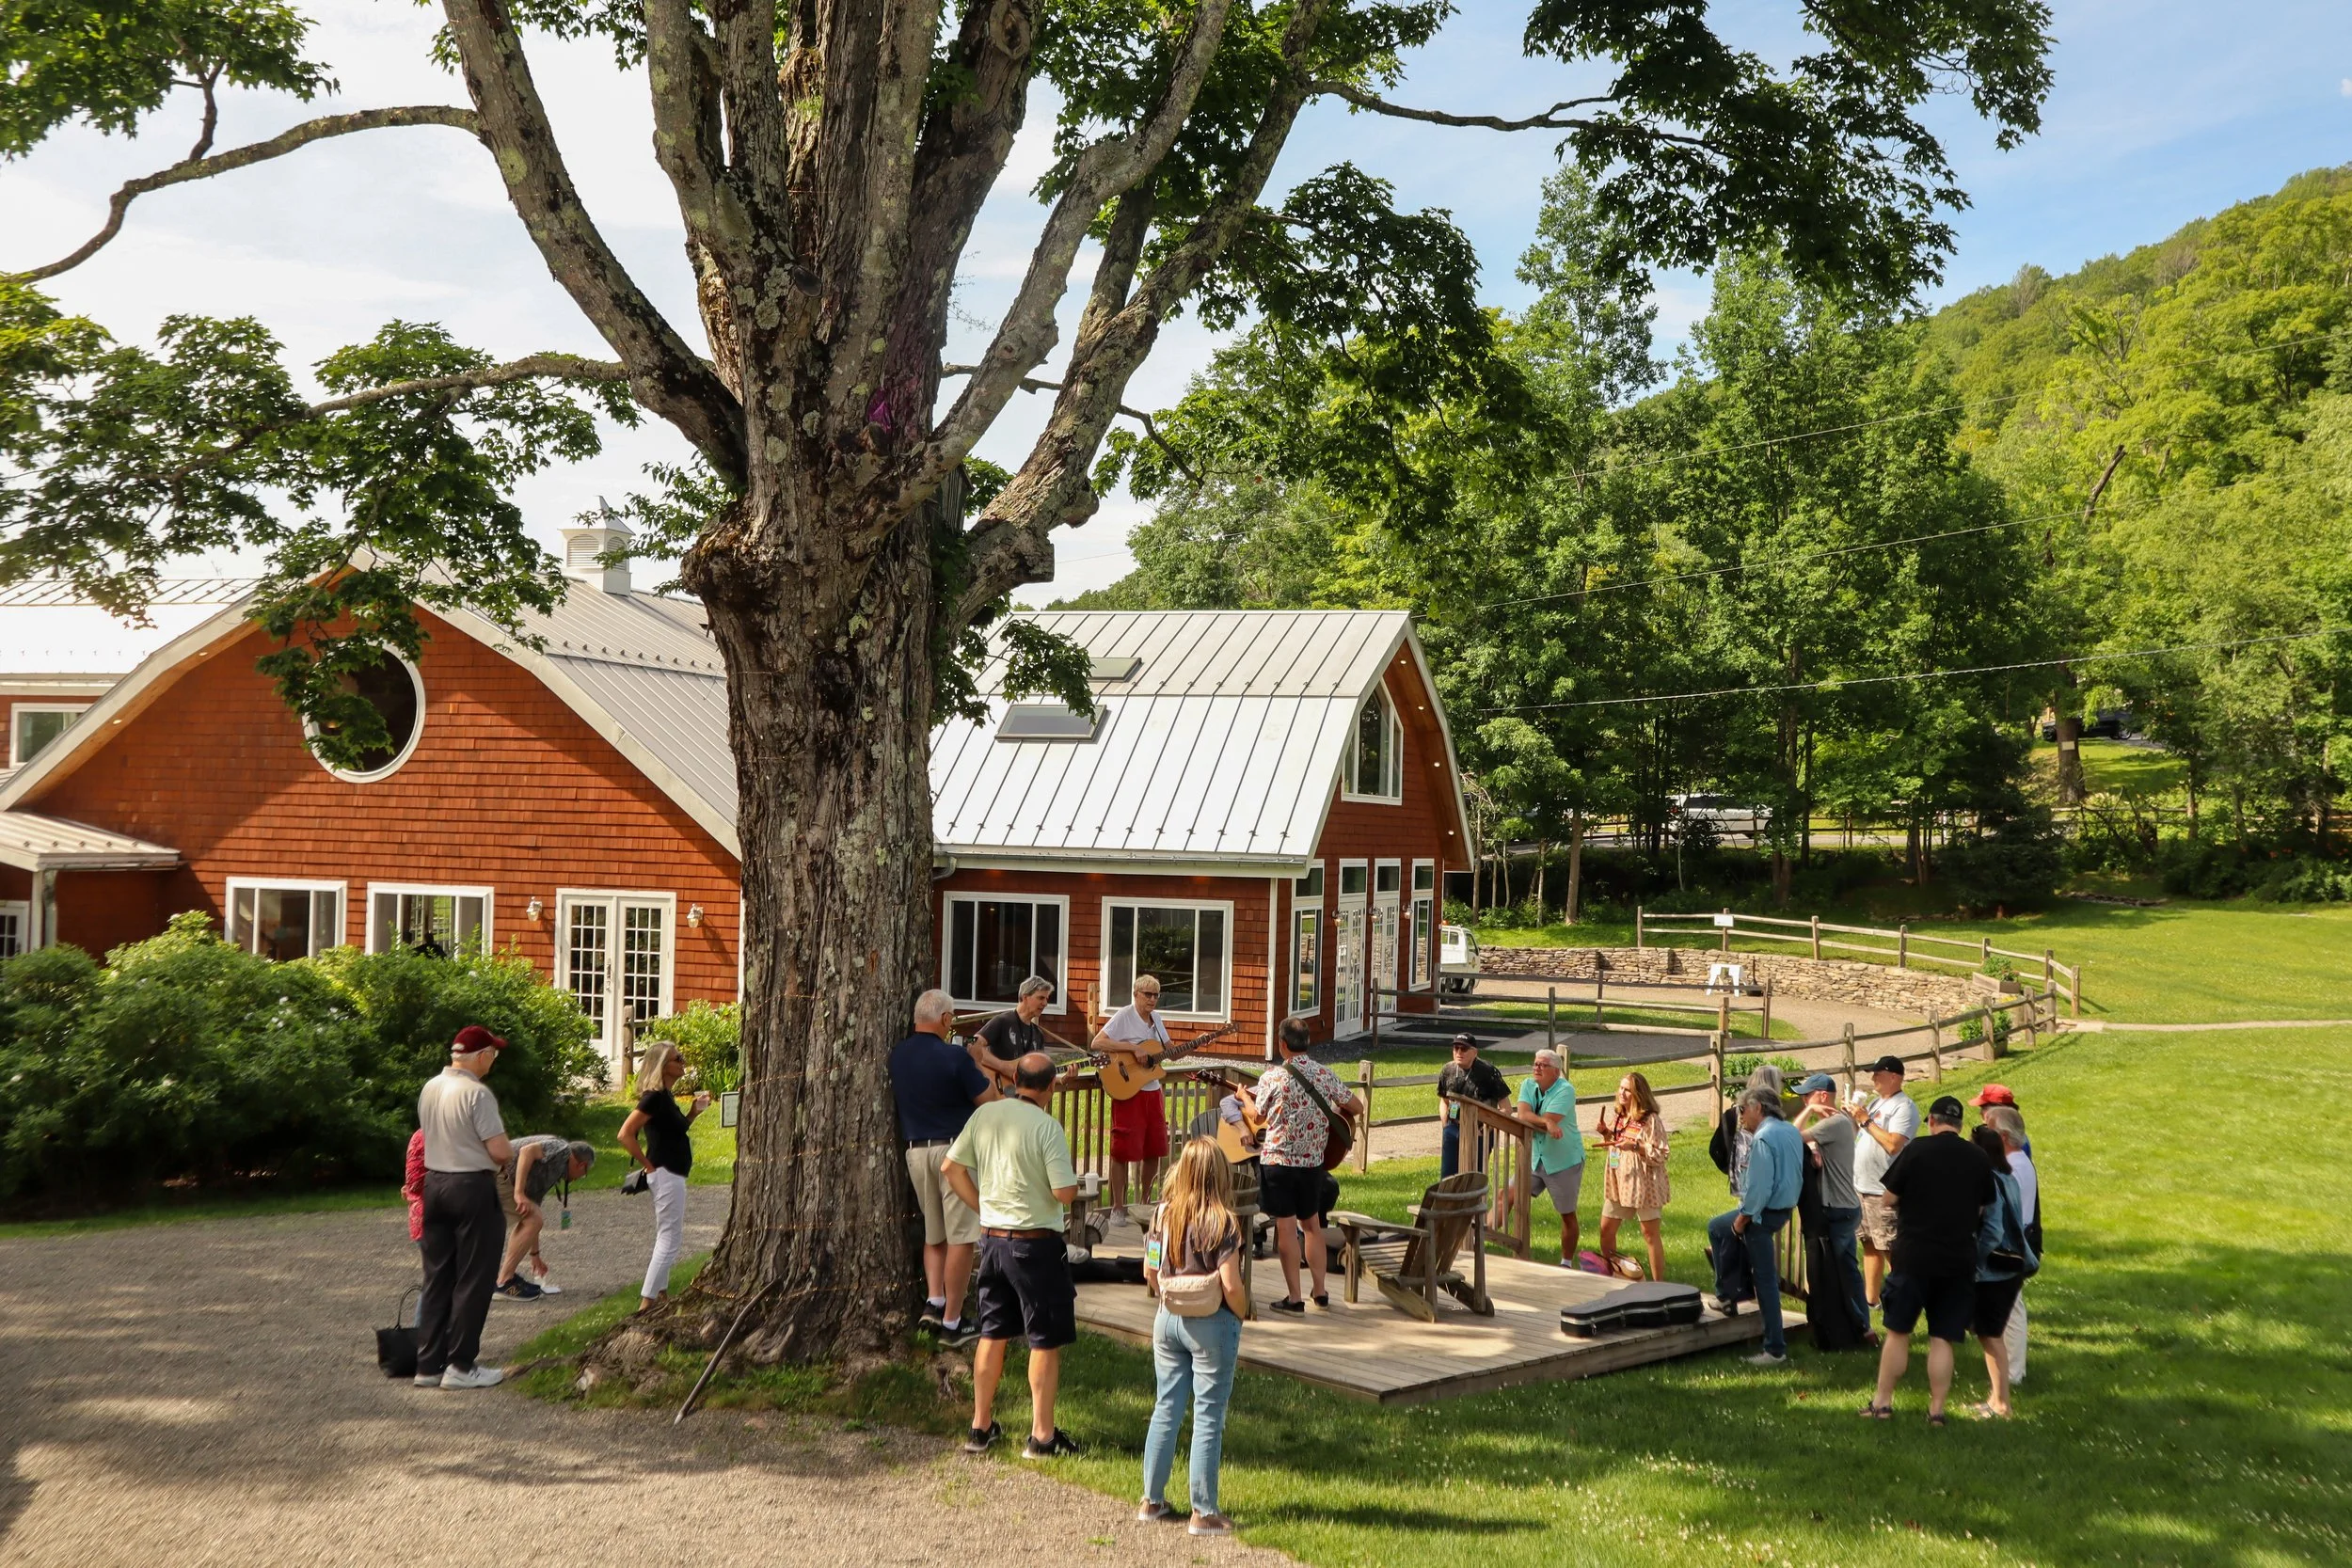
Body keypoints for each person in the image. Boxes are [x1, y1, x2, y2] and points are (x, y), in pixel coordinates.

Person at [943, 1052, 1083, 1459]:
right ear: (1051, 1086)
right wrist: (1068, 1186)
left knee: (993, 1332)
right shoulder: (1047, 1127)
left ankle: (980, 1426)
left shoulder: (987, 1115)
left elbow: (950, 1168)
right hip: (1035, 1243)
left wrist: (982, 1206)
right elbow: (1063, 1192)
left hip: (991, 1242)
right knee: (1044, 1339)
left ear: (1015, 1078)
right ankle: (1042, 1436)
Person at [1137, 1137, 1249, 1537]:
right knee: (1208, 1415)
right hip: (1210, 1321)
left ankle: (1151, 1500)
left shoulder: (1161, 1215)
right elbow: (1231, 1284)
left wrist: (1167, 1290)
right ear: (1220, 1173)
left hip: (1167, 1317)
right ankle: (1203, 1511)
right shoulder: (1224, 1222)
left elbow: (1149, 1272)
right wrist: (1242, 1312)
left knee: (1166, 1405)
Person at [1863, 1095, 1995, 1425]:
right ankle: (1936, 1411)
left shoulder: (1917, 1149)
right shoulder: (1978, 1157)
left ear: (1932, 1121)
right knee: (1942, 1337)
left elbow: (1888, 1199)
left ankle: (1882, 1403)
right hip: (1958, 1257)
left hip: (1914, 1255)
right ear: (1960, 1125)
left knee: (1898, 1331)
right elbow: (1982, 1207)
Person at [890, 988, 1000, 1341]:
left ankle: (933, 1302)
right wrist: (978, 1060)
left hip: (915, 1151)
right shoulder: (956, 1057)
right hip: (954, 1152)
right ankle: (953, 1322)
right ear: (946, 1019)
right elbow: (990, 1101)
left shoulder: (897, 1055)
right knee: (962, 1238)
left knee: (933, 1233)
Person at [413, 1024, 514, 1390]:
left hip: (435, 1182)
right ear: (481, 1056)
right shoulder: (477, 1094)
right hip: (472, 1185)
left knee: (437, 1275)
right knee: (474, 1276)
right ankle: (460, 1363)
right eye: (493, 1055)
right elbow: (500, 1150)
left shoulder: (430, 1087)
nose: (493, 1061)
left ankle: (427, 1363)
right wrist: (510, 1154)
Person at [1254, 1017, 1360, 1313]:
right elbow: (1357, 1107)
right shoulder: (1325, 1074)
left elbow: (1258, 1117)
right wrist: (1332, 1112)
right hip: (1313, 1164)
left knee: (1286, 1230)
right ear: (1307, 1043)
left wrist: (1242, 1099)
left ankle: (1295, 1298)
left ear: (1282, 1044)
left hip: (1278, 1162)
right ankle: (1321, 1291)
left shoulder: (1272, 1078)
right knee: (1312, 1226)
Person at [1706, 1086, 1803, 1365]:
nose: (1741, 1116)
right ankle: (1726, 1295)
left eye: (1742, 1109)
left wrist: (1742, 1220)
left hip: (1761, 1215)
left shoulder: (1762, 1138)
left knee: (1766, 1281)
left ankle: (1775, 1349)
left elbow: (1759, 1189)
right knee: (1716, 1227)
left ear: (1758, 1107)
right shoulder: (1790, 1131)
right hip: (1782, 1209)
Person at [618, 1038, 710, 1313]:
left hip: (673, 1172)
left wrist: (693, 1112)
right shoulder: (654, 1097)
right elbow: (625, 1133)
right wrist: (648, 1165)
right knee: (669, 1238)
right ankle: (647, 1302)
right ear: (662, 1066)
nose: (682, 1062)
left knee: (669, 1234)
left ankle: (661, 1294)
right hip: (665, 1172)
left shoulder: (666, 1097)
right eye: (677, 1059)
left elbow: (678, 1128)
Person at [1966, 1124, 2037, 1418]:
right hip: (2012, 1267)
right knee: (1989, 1335)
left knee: (1991, 1336)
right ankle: (1995, 1399)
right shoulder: (2007, 1176)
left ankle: (2002, 1404)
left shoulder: (1990, 1181)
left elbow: (1993, 1231)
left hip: (1994, 1272)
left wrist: (1975, 1261)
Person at [1090, 976, 1174, 1226]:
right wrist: (1130, 1048)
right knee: (1123, 1149)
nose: (1152, 999)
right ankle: (1118, 1207)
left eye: (1156, 995)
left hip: (1152, 1090)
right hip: (1128, 1091)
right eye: (1147, 994)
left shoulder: (1157, 1020)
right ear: (1135, 993)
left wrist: (1198, 1042)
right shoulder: (1124, 1016)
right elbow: (1097, 1042)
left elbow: (1169, 1050)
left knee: (1154, 1148)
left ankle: (1145, 1204)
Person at [1792, 1071, 1870, 1336]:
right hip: (1848, 1207)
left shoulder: (1833, 1124)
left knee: (1838, 1272)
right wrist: (1815, 1150)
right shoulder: (1843, 1122)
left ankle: (1858, 1326)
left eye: (1808, 1097)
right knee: (1848, 1270)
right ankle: (1862, 1324)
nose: (1805, 1101)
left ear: (1823, 1096)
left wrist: (1810, 1111)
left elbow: (1790, 1137)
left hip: (1838, 1208)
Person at [1851, 1054, 1919, 1313]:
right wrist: (1856, 1118)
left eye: (1878, 1074)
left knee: (1891, 1248)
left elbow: (1893, 1144)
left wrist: (1866, 1121)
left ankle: (1903, 1300)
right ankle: (1872, 1301)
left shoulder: (1904, 1107)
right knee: (1869, 1244)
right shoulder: (1876, 1102)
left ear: (1895, 1077)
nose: (1873, 1078)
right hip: (1862, 1187)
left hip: (1885, 1191)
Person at [493, 1135, 596, 1300]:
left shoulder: (553, 1171)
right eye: (584, 1173)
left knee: (532, 1218)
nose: (579, 1178)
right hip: (497, 1173)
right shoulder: (562, 1149)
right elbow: (527, 1152)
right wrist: (519, 1193)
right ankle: (504, 1281)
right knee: (532, 1218)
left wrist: (535, 1256)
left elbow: (533, 1213)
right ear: (581, 1165)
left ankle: (505, 1278)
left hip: (500, 1175)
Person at [1980, 1102, 2038, 1383]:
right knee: (2011, 1307)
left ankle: (2013, 1372)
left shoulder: (2012, 1168)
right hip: (2017, 1240)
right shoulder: (2020, 1162)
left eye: (1989, 1129)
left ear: (2002, 1136)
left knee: (2011, 1310)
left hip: (2010, 1244)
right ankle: (2010, 1369)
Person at [1511, 1049, 1584, 1265]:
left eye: (1542, 1065)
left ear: (1556, 1071)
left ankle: (1566, 1263)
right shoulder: (1527, 1085)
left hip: (1563, 1161)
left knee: (1567, 1214)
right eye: (1535, 1064)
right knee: (1507, 1195)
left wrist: (1547, 1121)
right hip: (1535, 1159)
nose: (1537, 1068)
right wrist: (1546, 1123)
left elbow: (1544, 1117)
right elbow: (1522, 1115)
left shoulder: (1566, 1090)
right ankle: (1480, 1236)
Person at [1596, 1070, 1670, 1283]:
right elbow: (1616, 1144)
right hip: (1620, 1182)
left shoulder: (1650, 1119)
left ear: (1639, 1094)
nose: (1622, 1093)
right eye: (1621, 1088)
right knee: (1606, 1230)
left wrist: (1636, 1146)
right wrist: (1606, 1134)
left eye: (1628, 1090)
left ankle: (1658, 1286)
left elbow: (1662, 1153)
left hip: (1645, 1183)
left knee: (1650, 1234)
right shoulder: (1620, 1116)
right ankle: (1615, 1277)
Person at [1435, 1033, 1509, 1179]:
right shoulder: (1447, 1070)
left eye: (1464, 1049)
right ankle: (1450, 1201)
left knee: (1474, 1176)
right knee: (1448, 1176)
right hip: (1453, 1128)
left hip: (1480, 1131)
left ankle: (1474, 1201)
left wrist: (1488, 1127)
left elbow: (1506, 1108)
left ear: (1474, 1052)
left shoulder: (1488, 1072)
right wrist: (1446, 1124)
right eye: (1456, 1048)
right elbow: (1444, 1101)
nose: (1459, 1052)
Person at [1709, 1063, 1787, 1196]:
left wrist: (1731, 1168)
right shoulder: (1773, 1117)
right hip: (1767, 1185)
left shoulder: (1733, 1113)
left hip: (1742, 1183)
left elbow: (1715, 1149)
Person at [974, 975, 1056, 1093]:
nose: (1045, 1003)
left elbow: (1039, 1073)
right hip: (998, 1092)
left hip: (1024, 1099)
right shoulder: (1003, 1021)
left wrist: (1062, 1079)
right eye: (1041, 998)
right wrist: (1003, 1066)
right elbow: (972, 1044)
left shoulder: (1038, 1034)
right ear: (1025, 997)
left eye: (1047, 999)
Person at [1970, 1084, 2034, 1154]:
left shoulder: (2009, 1143)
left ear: (2000, 1109)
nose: (1980, 1113)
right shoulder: (2015, 1135)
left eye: (1984, 1108)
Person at [403, 1127, 427, 1254]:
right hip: (436, 1218)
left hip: (420, 1219)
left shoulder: (419, 1135)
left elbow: (413, 1182)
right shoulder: (453, 1135)